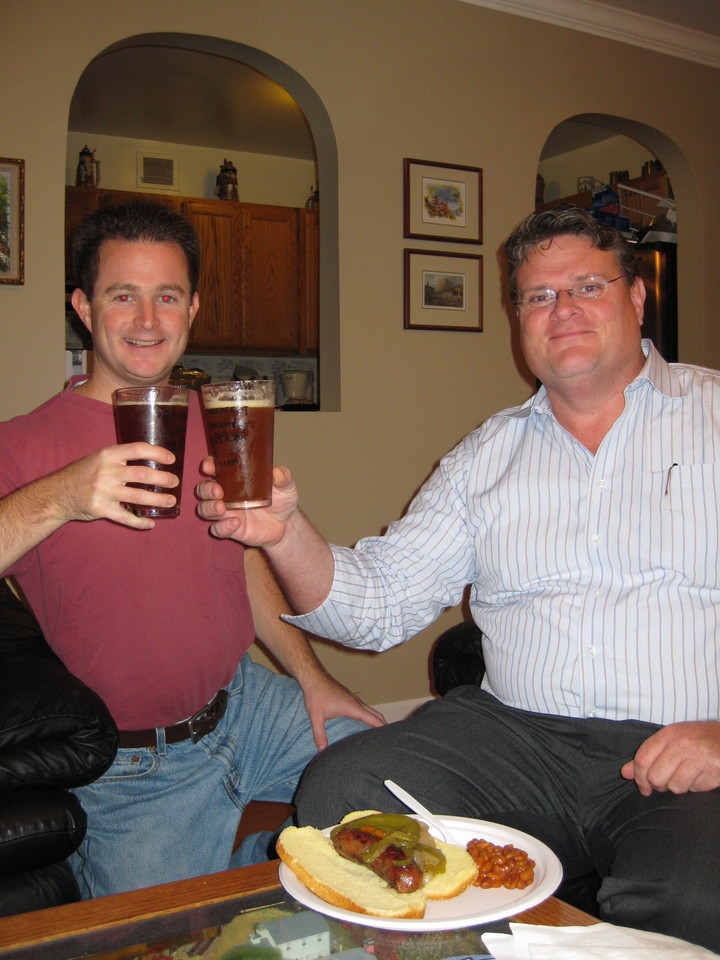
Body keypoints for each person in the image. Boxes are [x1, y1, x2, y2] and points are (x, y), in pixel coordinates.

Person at [196, 205, 720, 951]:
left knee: (696, 894)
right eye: (538, 296)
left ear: (636, 298)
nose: (562, 310)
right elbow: (378, 603)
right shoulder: (488, 455)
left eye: (587, 287)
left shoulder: (712, 416)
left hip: (682, 747)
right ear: (518, 320)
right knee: (342, 788)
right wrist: (285, 533)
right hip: (516, 739)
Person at [0, 199, 383, 899]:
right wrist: (62, 496)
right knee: (179, 938)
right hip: (135, 771)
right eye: (124, 295)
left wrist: (310, 675)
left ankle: (267, 867)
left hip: (244, 706)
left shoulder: (219, 424)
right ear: (84, 307)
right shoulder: (24, 444)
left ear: (193, 309)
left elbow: (240, 559)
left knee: (393, 782)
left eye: (168, 297)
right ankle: (250, 877)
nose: (148, 320)